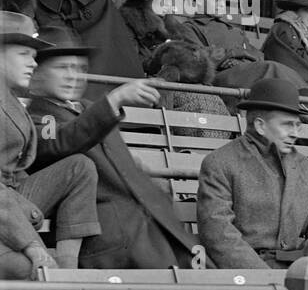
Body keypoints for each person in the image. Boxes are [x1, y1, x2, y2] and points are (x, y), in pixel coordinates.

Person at [25, 28, 197, 268]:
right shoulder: (36, 116)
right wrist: (113, 100)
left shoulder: (87, 107)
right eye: (62, 68)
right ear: (36, 75)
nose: (73, 76)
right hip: (107, 235)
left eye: (80, 69)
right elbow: (61, 140)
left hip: (149, 221)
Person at [197, 78, 308, 269]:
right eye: (287, 125)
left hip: (298, 271)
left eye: (298, 125)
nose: (295, 133)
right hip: (246, 278)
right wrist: (264, 277)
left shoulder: (304, 166)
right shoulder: (220, 163)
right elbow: (218, 232)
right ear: (260, 126)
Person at [0, 13, 101, 277]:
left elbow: (16, 168)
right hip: (4, 208)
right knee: (30, 271)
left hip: (11, 200)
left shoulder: (11, 99)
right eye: (24, 54)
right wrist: (33, 246)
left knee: (79, 166)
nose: (34, 64)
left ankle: (67, 274)